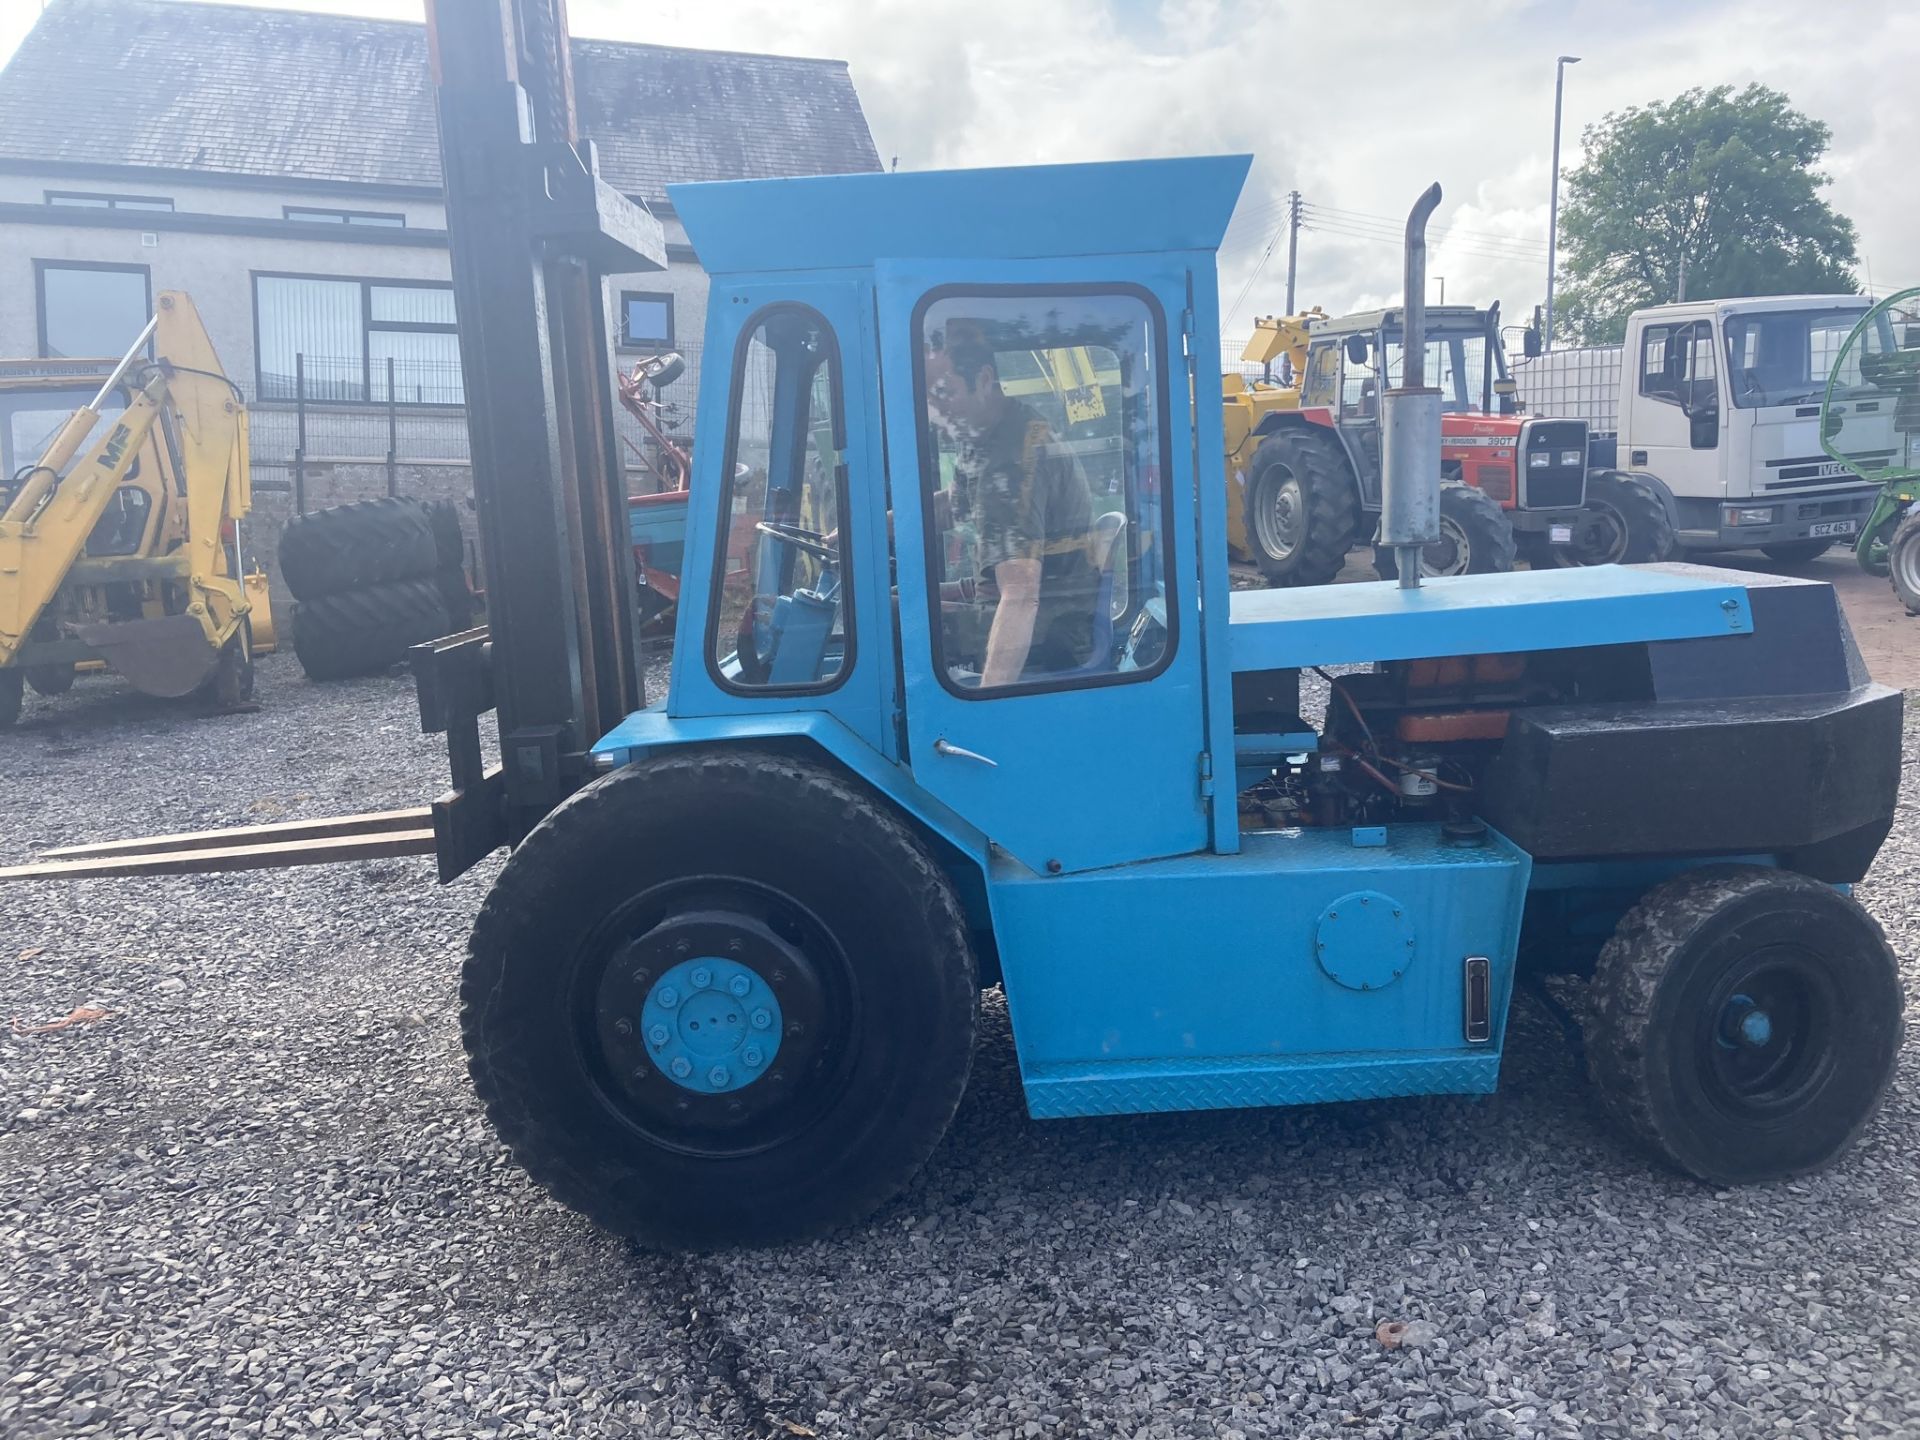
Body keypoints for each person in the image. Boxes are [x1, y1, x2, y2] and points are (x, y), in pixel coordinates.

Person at [924, 322, 1097, 686]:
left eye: (944, 392)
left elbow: (1021, 595)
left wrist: (986, 706)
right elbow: (953, 506)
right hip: (1033, 609)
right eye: (928, 396)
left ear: (984, 380)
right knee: (901, 600)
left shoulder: (1011, 462)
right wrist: (866, 531)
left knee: (891, 617)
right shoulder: (982, 433)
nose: (934, 410)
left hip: (1052, 630)